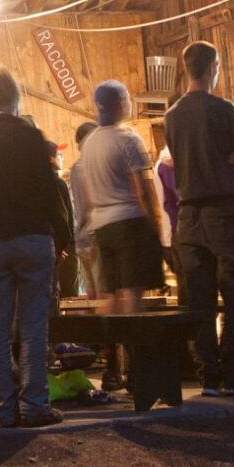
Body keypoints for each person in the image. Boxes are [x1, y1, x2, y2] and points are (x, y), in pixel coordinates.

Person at [0, 66, 72, 428]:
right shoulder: (32, 136)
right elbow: (51, 194)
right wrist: (62, 237)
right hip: (35, 239)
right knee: (35, 327)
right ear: (16, 99)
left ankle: (5, 410)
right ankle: (35, 407)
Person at [162, 40, 234, 394]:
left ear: (187, 68)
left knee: (199, 297)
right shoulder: (222, 109)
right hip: (224, 211)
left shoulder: (171, 116)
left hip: (189, 217)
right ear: (213, 67)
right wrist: (228, 161)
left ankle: (208, 376)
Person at [75, 79, 166, 315]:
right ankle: (134, 350)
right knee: (132, 294)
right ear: (119, 104)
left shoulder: (89, 143)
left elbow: (87, 193)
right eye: (126, 99)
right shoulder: (128, 138)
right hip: (130, 223)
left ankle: (111, 349)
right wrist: (154, 224)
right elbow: (141, 190)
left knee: (111, 294)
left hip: (102, 226)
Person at [67, 120, 103, 299]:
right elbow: (92, 201)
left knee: (92, 296)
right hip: (96, 235)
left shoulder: (74, 168)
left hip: (81, 237)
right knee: (104, 296)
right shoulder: (93, 165)